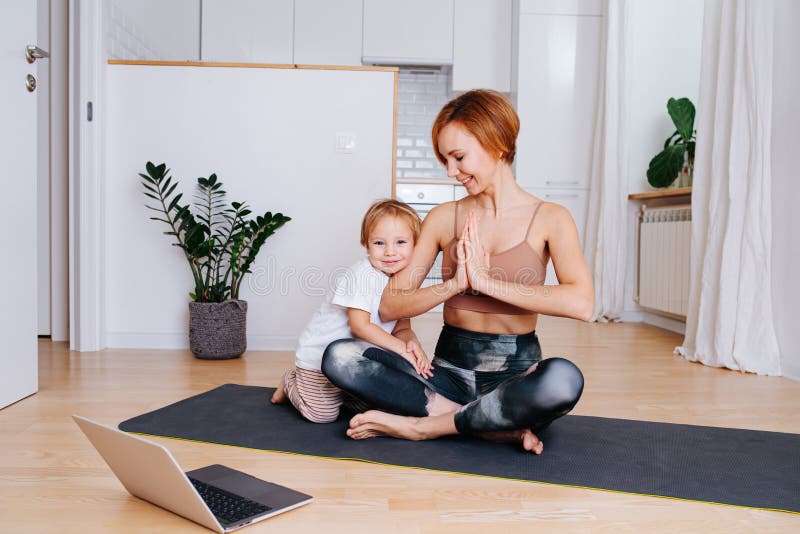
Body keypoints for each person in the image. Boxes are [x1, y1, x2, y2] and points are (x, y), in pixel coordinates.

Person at [321, 89, 594, 454]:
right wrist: (455, 285)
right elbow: (389, 305)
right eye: (445, 160)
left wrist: (486, 283)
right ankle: (487, 424)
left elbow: (582, 303)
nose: (452, 172)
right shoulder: (443, 217)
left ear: (497, 144)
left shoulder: (551, 218)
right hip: (446, 378)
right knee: (340, 356)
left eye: (459, 157)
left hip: (515, 379)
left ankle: (423, 428)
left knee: (563, 380)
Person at [271, 199, 432, 423]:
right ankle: (290, 381)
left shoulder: (403, 282)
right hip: (319, 361)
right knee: (321, 416)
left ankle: (343, 394)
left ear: (416, 245)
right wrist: (401, 350)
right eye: (379, 243)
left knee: (379, 405)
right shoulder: (362, 275)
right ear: (366, 245)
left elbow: (402, 327)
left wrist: (411, 343)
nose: (390, 252)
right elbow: (359, 326)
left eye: (401, 242)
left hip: (355, 362)